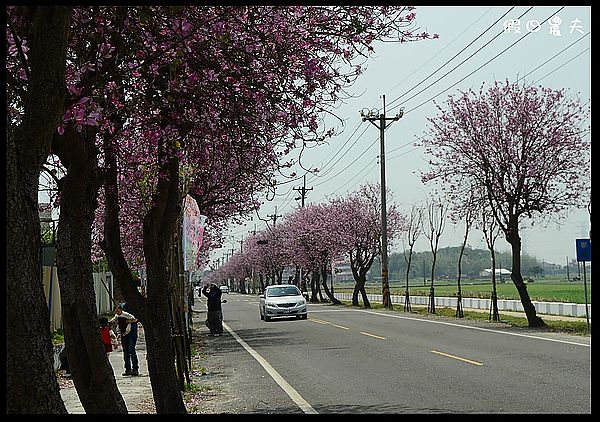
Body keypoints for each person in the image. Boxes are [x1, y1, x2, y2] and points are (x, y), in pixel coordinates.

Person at [108, 303, 139, 376]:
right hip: (123, 332)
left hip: (132, 331)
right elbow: (115, 318)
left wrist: (129, 321)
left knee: (131, 349)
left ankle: (135, 369)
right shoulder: (122, 306)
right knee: (125, 350)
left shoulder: (135, 305)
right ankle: (127, 369)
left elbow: (136, 319)